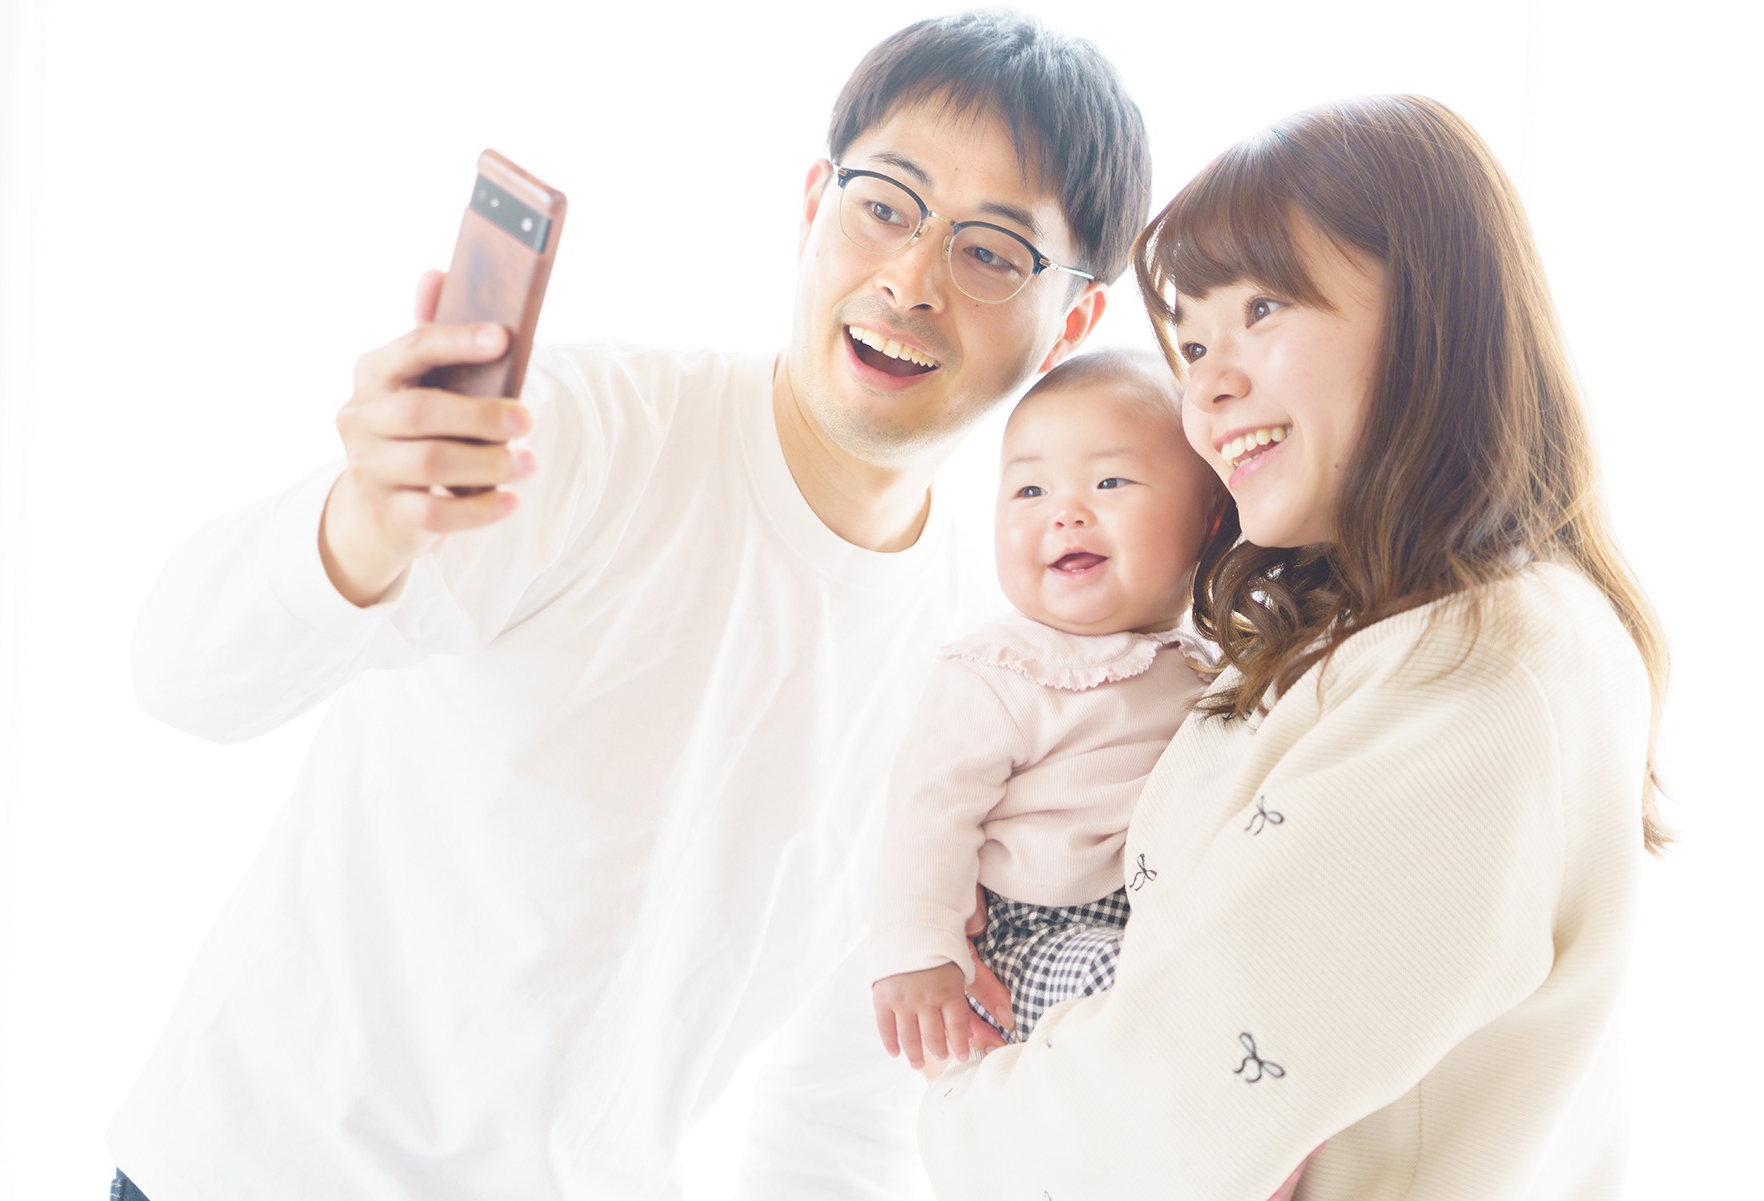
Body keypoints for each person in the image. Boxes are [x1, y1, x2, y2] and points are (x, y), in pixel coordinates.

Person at [106, 12, 1153, 1201]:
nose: (910, 277)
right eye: (884, 205)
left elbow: (841, 1102)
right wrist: (360, 526)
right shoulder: (578, 435)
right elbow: (180, 680)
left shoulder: (979, 679)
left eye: (993, 253)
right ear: (814, 204)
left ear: (1071, 325)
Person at [917, 94, 1667, 1200]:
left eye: (1262, 307)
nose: (1207, 387)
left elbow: (1143, 1125)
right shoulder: (1373, 630)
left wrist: (953, 1100)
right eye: (1192, 343)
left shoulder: (1481, 663)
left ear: (1436, 314)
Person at [868, 349, 1221, 1065]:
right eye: (1030, 490)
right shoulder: (1001, 670)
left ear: (1210, 524)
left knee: (1218, 972)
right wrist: (918, 950)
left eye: (1110, 481)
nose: (1066, 513)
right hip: (1033, 937)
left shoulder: (1211, 663)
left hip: (1161, 915)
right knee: (1135, 990)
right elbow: (927, 812)